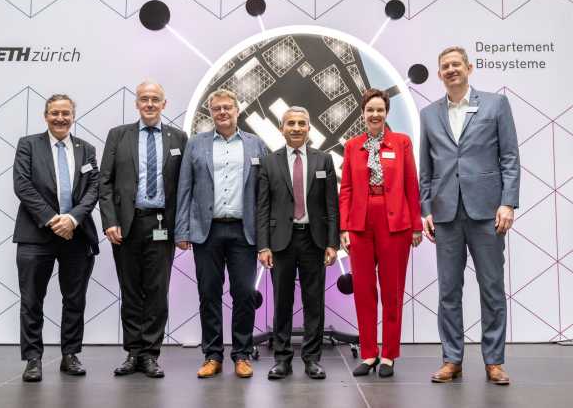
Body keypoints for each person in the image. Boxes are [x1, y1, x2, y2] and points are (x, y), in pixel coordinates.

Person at [420, 46, 520, 385]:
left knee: (491, 288)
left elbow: (509, 157)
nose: (451, 70)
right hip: (446, 213)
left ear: (469, 68)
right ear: (439, 74)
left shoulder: (496, 104)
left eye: (456, 64)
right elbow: (426, 168)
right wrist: (425, 209)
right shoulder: (428, 114)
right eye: (445, 66)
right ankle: (452, 359)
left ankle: (494, 361)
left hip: (487, 212)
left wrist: (508, 202)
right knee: (449, 291)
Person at [175, 89, 268, 379]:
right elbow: (185, 189)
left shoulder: (256, 145)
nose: (223, 112)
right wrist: (182, 229)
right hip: (207, 231)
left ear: (237, 110)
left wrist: (266, 237)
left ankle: (241, 354)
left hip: (244, 231)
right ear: (211, 113)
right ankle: (212, 355)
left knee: (243, 293)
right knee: (209, 294)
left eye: (228, 107)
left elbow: (264, 194)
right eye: (217, 108)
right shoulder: (196, 144)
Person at [100, 81, 187, 378]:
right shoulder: (118, 135)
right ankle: (133, 352)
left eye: (155, 99)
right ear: (136, 104)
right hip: (126, 224)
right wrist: (110, 221)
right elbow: (105, 182)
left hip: (163, 225)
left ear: (164, 104)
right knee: (131, 290)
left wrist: (183, 227)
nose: (149, 104)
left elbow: (185, 187)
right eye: (144, 99)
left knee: (157, 291)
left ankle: (150, 354)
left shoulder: (179, 138)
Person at [13, 94, 99, 382]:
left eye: (65, 113)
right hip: (36, 234)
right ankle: (33, 359)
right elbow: (22, 185)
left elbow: (93, 190)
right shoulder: (28, 145)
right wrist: (53, 220)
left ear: (73, 116)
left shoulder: (86, 150)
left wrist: (72, 218)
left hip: (76, 234)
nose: (60, 118)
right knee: (32, 299)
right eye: (54, 113)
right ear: (45, 115)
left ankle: (70, 355)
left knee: (74, 299)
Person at [339, 88, 422, 378]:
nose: (375, 114)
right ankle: (369, 353)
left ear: (387, 112)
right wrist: (345, 227)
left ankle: (388, 355)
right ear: (362, 113)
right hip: (360, 225)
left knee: (392, 291)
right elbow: (346, 188)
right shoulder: (352, 146)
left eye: (380, 109)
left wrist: (415, 225)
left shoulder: (401, 143)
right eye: (370, 110)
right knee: (363, 291)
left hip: (395, 223)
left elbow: (411, 184)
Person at [257, 106, 339, 380]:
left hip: (313, 240)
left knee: (314, 301)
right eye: (290, 123)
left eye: (301, 123)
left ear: (308, 128)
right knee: (282, 302)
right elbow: (263, 208)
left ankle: (312, 358)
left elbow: (331, 204)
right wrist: (263, 245)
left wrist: (332, 242)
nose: (295, 128)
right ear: (282, 128)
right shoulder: (269, 161)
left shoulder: (324, 160)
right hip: (281, 242)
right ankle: (282, 359)